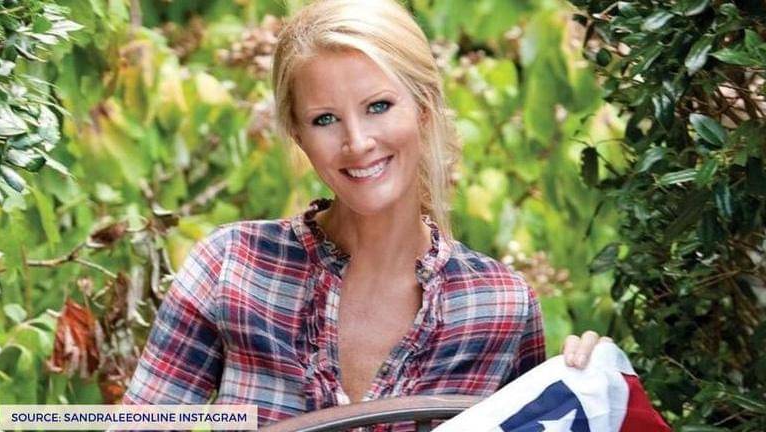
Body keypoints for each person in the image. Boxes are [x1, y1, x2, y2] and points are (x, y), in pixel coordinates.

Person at [122, 0, 610, 429]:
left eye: (378, 106)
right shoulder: (231, 265)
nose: (357, 142)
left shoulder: (500, 307)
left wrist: (587, 384)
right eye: (325, 119)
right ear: (298, 134)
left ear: (423, 107)